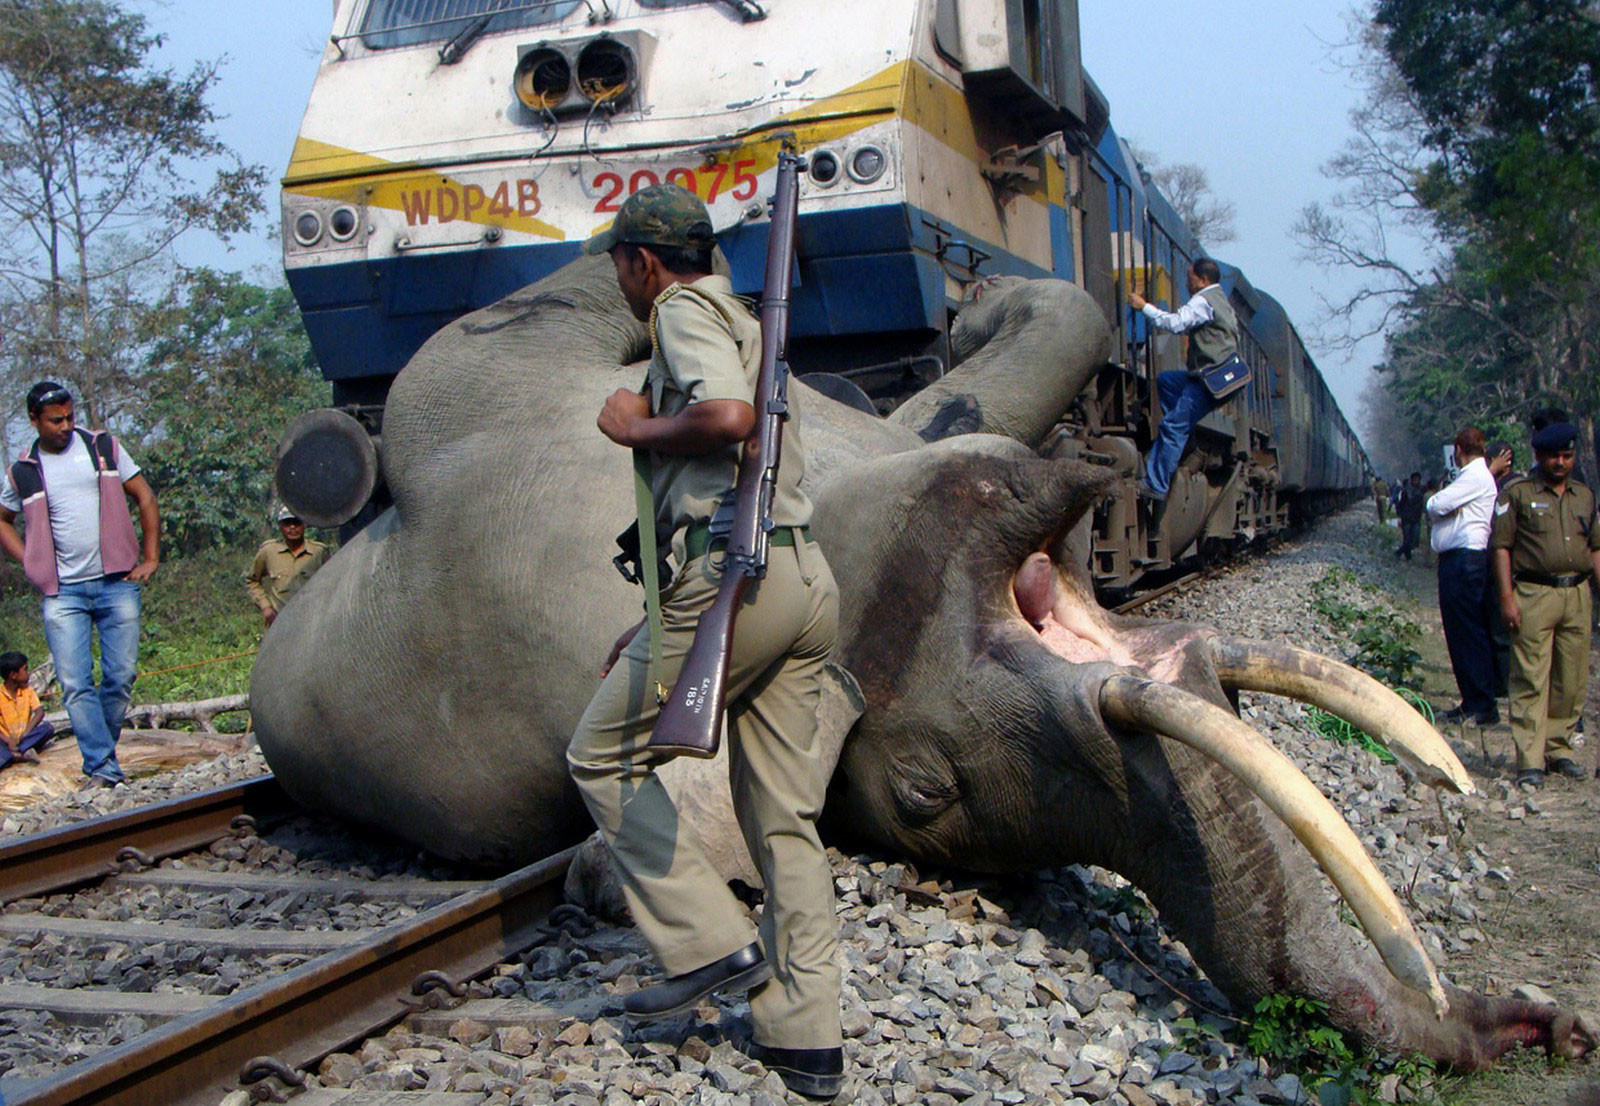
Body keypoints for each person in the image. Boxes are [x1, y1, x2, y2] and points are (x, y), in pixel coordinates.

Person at [565, 185, 844, 1099]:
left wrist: (632, 426)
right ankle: (807, 1037)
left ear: (643, 262)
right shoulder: (750, 319)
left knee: (600, 755)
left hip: (736, 579)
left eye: (617, 263)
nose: (619, 280)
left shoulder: (683, 309)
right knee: (783, 819)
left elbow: (726, 419)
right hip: (800, 582)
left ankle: (710, 940)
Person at [0, 382, 159, 787]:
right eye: (56, 420)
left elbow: (144, 496)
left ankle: (101, 757)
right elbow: (3, 519)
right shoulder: (22, 470)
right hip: (62, 592)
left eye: (70, 417)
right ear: (34, 421)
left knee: (121, 676)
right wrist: (30, 560)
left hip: (116, 581)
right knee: (74, 683)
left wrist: (151, 558)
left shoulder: (102, 447)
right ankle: (104, 768)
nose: (66, 426)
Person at [1490, 420, 1600, 790]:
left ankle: (1559, 748)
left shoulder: (1584, 496)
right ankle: (1530, 759)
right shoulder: (1517, 494)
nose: (1561, 462)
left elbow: (1595, 548)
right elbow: (1501, 547)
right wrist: (1506, 597)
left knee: (1571, 679)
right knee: (1530, 678)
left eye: (1568, 456)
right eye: (1554, 456)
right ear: (1539, 456)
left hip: (1577, 594)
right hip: (1534, 594)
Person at [1128, 257, 1239, 502]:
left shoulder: (1203, 301)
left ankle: (1155, 485)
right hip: (1215, 377)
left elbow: (1176, 324)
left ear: (1202, 280)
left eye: (1189, 279)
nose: (1187, 284)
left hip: (1209, 380)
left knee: (1172, 426)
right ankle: (1182, 444)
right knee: (1167, 381)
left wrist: (1144, 306)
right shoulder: (1222, 301)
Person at [1426, 428, 1500, 726]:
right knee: (1460, 632)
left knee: (1468, 632)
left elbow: (1435, 505)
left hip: (1465, 561)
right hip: (1460, 560)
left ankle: (1482, 704)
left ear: (1458, 449)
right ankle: (1472, 700)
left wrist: (1440, 505)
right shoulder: (1472, 477)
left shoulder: (1474, 476)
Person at [246, 507, 331, 627]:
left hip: (312, 622)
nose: (292, 527)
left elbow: (333, 583)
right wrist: (265, 606)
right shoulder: (269, 551)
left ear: (304, 524)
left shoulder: (319, 552)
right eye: (287, 523)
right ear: (280, 526)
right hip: (278, 623)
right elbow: (252, 580)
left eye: (296, 522)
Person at [0, 651, 55, 770]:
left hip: (24, 737)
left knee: (47, 728)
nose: (29, 673)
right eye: (25, 670)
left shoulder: (27, 691)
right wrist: (9, 741)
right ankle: (16, 754)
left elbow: (39, 712)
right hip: (5, 740)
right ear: (13, 675)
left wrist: (26, 733)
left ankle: (13, 755)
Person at [1395, 472, 1425, 560]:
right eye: (1415, 480)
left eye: (1417, 480)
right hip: (1407, 518)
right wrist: (1399, 516)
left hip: (1416, 518)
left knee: (1414, 539)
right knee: (1407, 538)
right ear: (1412, 480)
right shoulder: (1406, 491)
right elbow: (1400, 505)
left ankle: (1401, 552)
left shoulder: (1421, 490)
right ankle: (1406, 555)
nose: (1416, 481)